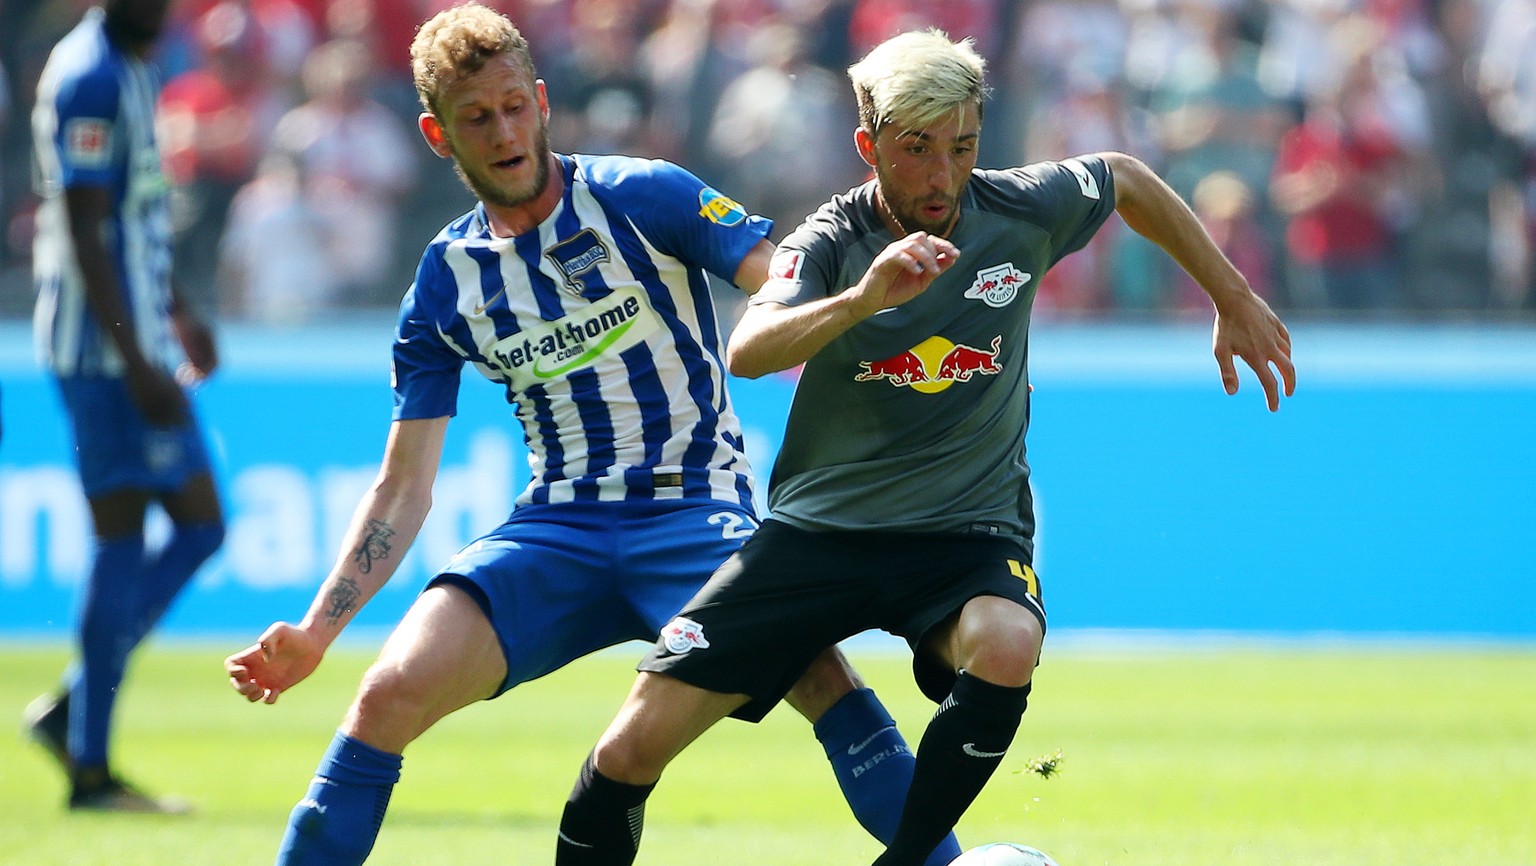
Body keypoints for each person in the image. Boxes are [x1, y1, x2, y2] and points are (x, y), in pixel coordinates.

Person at [221, 6, 958, 865]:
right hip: (556, 529)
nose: (503, 132)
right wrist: (316, 631)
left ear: (540, 99)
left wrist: (868, 312)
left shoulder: (643, 194)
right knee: (385, 695)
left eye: (512, 106)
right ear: (436, 134)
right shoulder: (444, 280)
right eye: (475, 118)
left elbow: (782, 292)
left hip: (694, 511)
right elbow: (403, 486)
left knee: (822, 676)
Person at [555, 28, 1296, 866]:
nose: (944, 174)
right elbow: (750, 350)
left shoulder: (1019, 207)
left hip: (964, 535)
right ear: (869, 146)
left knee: (1008, 642)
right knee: (625, 754)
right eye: (918, 149)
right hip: (821, 537)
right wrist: (864, 300)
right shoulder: (828, 242)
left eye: (963, 145)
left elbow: (1123, 177)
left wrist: (1230, 295)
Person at [24, 0, 227, 813]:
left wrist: (177, 308)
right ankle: (90, 769)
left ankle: (79, 708)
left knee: (199, 523)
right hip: (102, 354)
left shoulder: (138, 65)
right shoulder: (92, 77)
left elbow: (134, 217)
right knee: (125, 534)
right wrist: (135, 355)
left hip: (134, 337)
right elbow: (83, 223)